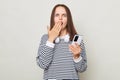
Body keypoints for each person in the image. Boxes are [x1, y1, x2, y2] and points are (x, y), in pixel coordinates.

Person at [36, 4, 87, 80]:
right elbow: (42, 64)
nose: (60, 18)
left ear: (68, 19)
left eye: (64, 15)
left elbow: (82, 68)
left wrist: (77, 57)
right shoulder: (45, 38)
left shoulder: (76, 40)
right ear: (53, 18)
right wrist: (51, 39)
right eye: (57, 15)